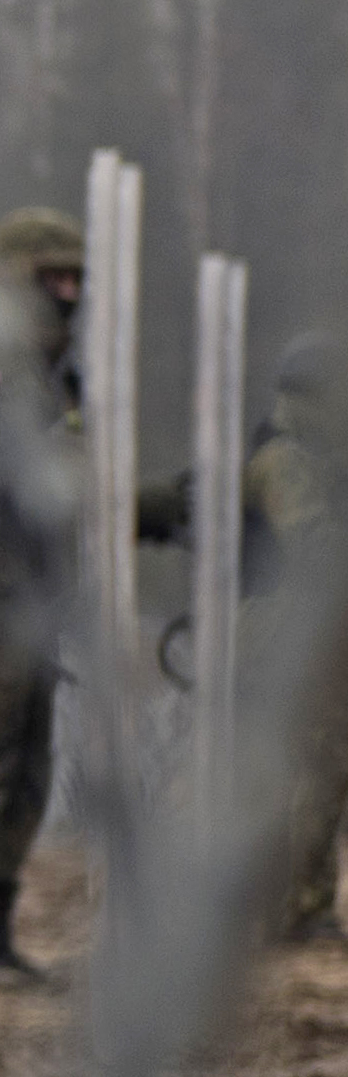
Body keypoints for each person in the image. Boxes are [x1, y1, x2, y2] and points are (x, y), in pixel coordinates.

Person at [0, 205, 181, 986]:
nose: (67, 292)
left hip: (34, 588)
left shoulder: (59, 371)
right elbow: (18, 466)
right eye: (51, 278)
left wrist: (146, 505)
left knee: (27, 764)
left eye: (75, 278)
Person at [252, 335, 343, 943]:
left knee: (325, 766)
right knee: (312, 766)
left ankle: (306, 903)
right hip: (285, 637)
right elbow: (315, 549)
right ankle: (294, 908)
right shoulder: (284, 459)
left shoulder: (313, 458)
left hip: (313, 635)